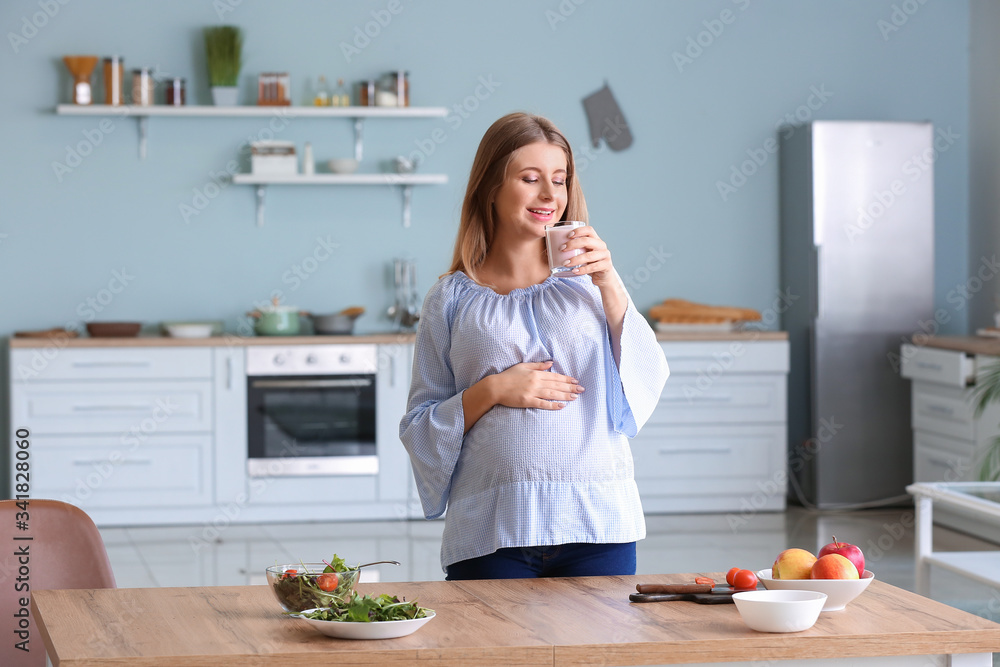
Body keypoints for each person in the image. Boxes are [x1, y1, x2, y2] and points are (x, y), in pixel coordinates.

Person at [399, 112, 669, 580]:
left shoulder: (590, 283)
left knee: (599, 657)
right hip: (492, 529)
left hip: (597, 525)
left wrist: (609, 281)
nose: (550, 195)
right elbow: (420, 426)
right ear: (490, 187)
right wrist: (494, 390)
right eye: (530, 178)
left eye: (559, 180)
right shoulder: (451, 297)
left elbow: (646, 378)